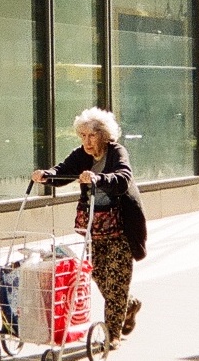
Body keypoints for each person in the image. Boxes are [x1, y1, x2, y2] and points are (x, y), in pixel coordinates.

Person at [31, 108, 147, 348]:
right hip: (95, 227)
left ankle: (112, 334)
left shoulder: (117, 152)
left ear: (103, 135)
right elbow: (63, 171)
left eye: (91, 136)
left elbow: (124, 178)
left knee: (116, 281)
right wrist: (46, 175)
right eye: (82, 136)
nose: (86, 141)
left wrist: (99, 179)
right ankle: (130, 303)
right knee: (97, 274)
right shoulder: (81, 154)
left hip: (121, 227)